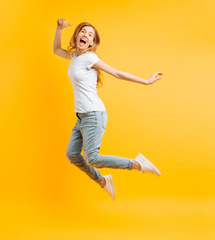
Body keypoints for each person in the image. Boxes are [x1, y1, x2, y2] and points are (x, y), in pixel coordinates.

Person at [53, 19, 163, 200]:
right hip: (82, 116)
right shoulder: (74, 56)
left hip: (93, 115)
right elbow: (56, 50)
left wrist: (146, 81)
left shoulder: (90, 58)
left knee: (93, 158)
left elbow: (117, 73)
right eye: (83, 31)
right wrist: (58, 29)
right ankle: (103, 181)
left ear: (91, 43)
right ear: (77, 35)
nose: (85, 35)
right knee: (72, 155)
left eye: (90, 35)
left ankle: (137, 164)